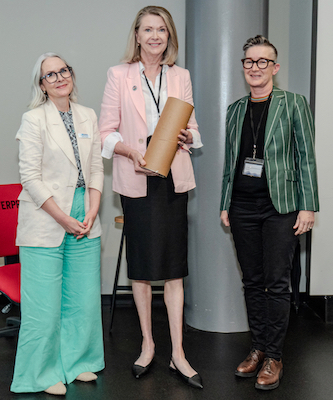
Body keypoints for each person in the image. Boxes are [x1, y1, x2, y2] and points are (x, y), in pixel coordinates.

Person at [99, 5, 203, 389]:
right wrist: (130, 151)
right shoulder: (119, 74)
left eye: (162, 29)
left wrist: (187, 137)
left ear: (168, 36)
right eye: (148, 29)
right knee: (141, 268)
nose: (155, 36)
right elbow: (105, 132)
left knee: (175, 268)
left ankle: (178, 352)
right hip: (138, 179)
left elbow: (193, 128)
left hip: (172, 181)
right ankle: (147, 345)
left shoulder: (181, 76)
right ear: (137, 35)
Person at [220, 35, 319, 391]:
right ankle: (258, 347)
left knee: (277, 283)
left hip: (282, 206)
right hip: (242, 206)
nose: (255, 68)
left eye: (263, 62)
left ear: (274, 68)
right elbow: (230, 163)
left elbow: (306, 156)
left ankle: (275, 356)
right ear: (243, 66)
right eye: (249, 61)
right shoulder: (234, 110)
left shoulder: (294, 104)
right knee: (251, 281)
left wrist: (308, 205)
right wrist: (224, 203)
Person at [11, 53, 104, 396]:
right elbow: (30, 178)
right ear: (42, 84)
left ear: (71, 74)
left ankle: (78, 361)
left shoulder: (87, 115)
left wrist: (93, 208)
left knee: (82, 299)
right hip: (46, 215)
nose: (59, 77)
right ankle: (40, 372)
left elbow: (95, 167)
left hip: (85, 211)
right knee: (44, 306)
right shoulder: (33, 119)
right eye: (50, 75)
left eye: (63, 70)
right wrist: (63, 218)